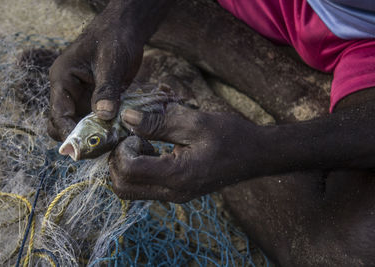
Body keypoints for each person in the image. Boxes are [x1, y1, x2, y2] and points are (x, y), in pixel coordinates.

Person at [48, 0, 375, 265]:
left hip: (364, 47)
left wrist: (259, 151)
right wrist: (129, 12)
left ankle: (188, 84)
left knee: (349, 251)